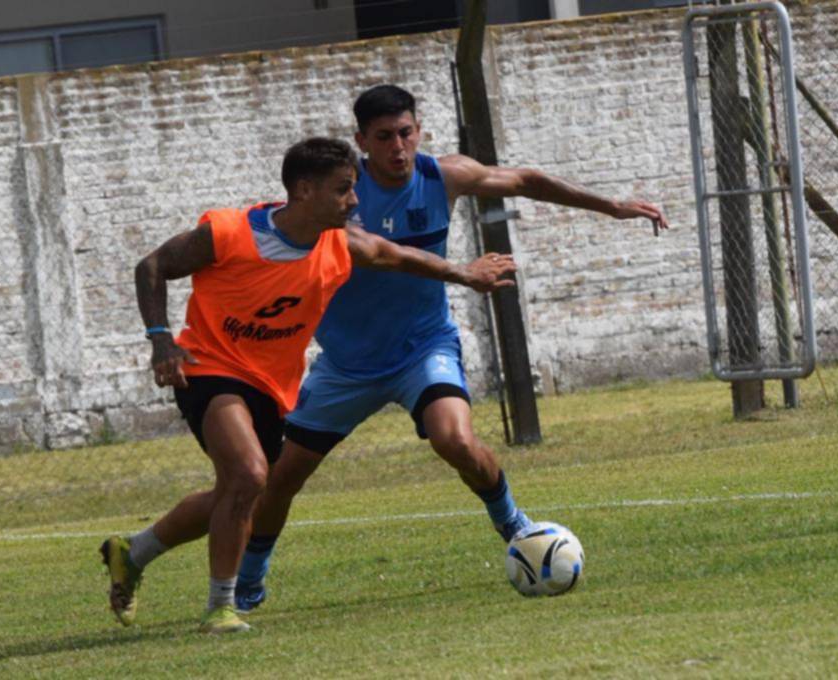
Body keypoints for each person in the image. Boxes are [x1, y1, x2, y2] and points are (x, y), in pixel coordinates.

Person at [232, 85, 670, 613]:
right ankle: (249, 581)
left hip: (423, 348)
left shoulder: (444, 176)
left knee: (455, 439)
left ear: (419, 131)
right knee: (282, 479)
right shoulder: (339, 197)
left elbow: (526, 180)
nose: (398, 146)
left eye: (406, 133)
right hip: (347, 366)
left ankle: (515, 526)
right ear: (361, 142)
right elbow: (312, 247)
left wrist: (613, 206)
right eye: (384, 137)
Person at [100, 136, 516, 634]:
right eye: (342, 190)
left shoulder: (339, 245)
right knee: (250, 474)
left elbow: (397, 255)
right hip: (208, 367)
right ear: (303, 190)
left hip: (271, 385)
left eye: (353, 188)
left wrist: (465, 274)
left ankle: (134, 551)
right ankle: (222, 608)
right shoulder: (230, 233)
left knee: (241, 490)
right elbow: (151, 266)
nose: (354, 200)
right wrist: (160, 339)